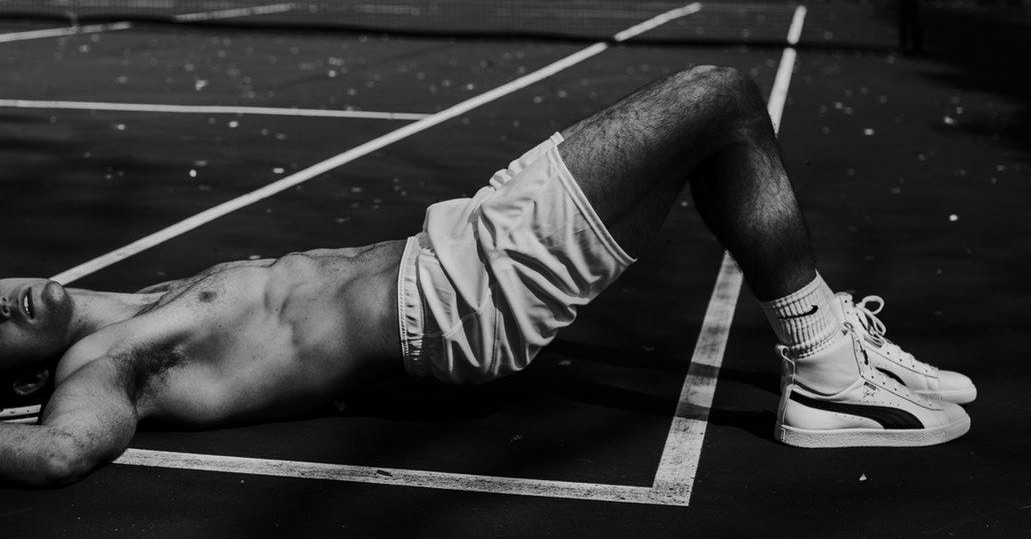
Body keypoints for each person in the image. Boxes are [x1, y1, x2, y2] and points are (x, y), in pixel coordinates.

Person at [0, 66, 974, 487]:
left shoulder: (141, 301)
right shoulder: (105, 364)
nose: (7, 298)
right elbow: (57, 452)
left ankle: (822, 350)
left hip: (458, 257)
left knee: (716, 137)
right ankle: (826, 368)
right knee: (717, 97)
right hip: (460, 295)